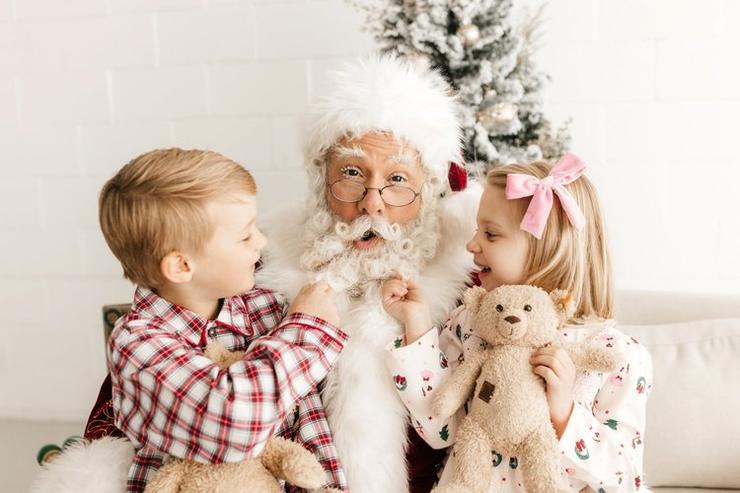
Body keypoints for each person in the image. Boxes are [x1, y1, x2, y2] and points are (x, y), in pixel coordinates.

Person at [39, 148, 349, 493]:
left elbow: (304, 415)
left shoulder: (265, 304)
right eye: (245, 236)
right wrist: (306, 329)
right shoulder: (139, 346)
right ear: (181, 267)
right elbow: (235, 422)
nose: (261, 242)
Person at [255, 54, 481, 493]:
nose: (371, 203)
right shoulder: (262, 270)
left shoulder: (468, 287)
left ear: (428, 192)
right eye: (352, 174)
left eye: (397, 180)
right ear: (321, 181)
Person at [383, 154, 654, 492]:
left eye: (491, 234)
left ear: (548, 249)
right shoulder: (470, 325)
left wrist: (565, 411)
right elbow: (439, 429)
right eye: (476, 230)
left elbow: (625, 477)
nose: (472, 244)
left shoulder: (617, 356)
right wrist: (417, 326)